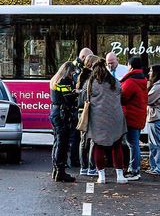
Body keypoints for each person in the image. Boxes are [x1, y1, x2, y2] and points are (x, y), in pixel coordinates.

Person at [83, 59, 129, 184]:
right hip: (115, 117)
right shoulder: (115, 82)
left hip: (97, 119)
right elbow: (121, 95)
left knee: (98, 146)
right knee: (117, 146)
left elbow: (84, 99)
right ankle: (120, 176)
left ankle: (101, 176)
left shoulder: (90, 83)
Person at [48, 51, 89, 182]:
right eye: (72, 72)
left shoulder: (55, 80)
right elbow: (67, 97)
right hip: (62, 113)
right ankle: (60, 171)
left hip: (55, 112)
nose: (73, 74)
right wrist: (78, 93)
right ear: (68, 71)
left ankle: (56, 170)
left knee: (57, 141)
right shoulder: (64, 80)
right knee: (63, 143)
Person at [120, 55, 148, 181]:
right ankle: (134, 169)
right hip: (138, 115)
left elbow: (123, 97)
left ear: (130, 66)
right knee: (134, 143)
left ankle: (134, 170)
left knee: (132, 144)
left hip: (131, 116)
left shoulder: (131, 81)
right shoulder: (142, 79)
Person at [76, 52, 100, 177]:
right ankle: (91, 167)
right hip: (90, 110)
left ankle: (83, 167)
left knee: (83, 141)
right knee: (92, 140)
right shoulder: (93, 79)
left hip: (81, 111)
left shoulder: (81, 76)